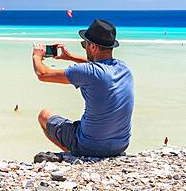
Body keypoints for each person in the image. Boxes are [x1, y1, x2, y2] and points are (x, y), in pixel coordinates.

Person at [32, 19, 134, 157]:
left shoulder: (87, 72)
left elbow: (43, 74)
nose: (84, 47)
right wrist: (70, 57)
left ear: (93, 47)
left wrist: (36, 56)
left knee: (44, 115)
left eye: (84, 44)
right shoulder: (124, 68)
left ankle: (75, 153)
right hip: (120, 145)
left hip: (89, 147)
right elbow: (99, 67)